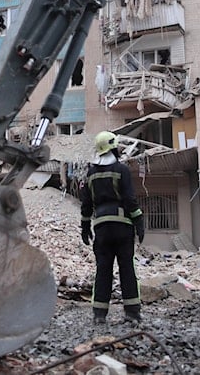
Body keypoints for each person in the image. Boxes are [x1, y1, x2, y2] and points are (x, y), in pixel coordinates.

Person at [80, 130, 145, 326]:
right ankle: (132, 313)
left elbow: (86, 204)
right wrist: (139, 222)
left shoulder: (90, 174)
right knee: (126, 268)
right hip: (122, 228)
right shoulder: (121, 170)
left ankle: (100, 314)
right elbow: (129, 199)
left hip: (101, 229)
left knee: (103, 270)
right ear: (114, 147)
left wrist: (84, 227)